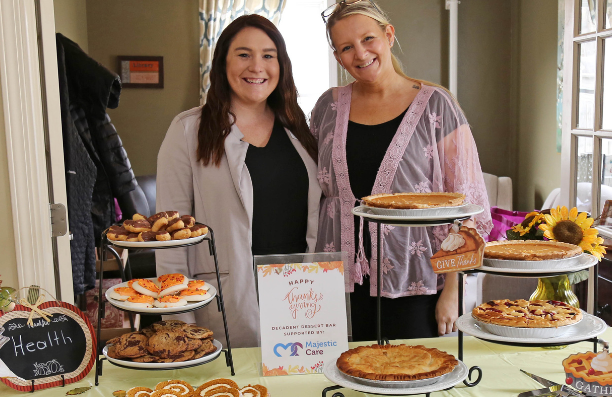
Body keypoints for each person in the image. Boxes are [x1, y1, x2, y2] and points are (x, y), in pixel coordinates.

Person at [311, 0, 492, 340]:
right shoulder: (327, 107)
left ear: (389, 35)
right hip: (337, 283)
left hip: (417, 282)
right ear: (337, 56)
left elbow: (467, 205)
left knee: (410, 382)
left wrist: (452, 292)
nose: (360, 54)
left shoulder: (437, 105)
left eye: (368, 39)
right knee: (341, 383)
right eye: (346, 47)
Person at [156, 15, 321, 348]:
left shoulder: (301, 130)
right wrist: (178, 326)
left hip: (300, 299)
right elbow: (169, 237)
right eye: (244, 54)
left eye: (268, 55)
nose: (256, 66)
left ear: (281, 65)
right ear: (223, 63)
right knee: (229, 396)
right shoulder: (188, 131)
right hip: (222, 303)